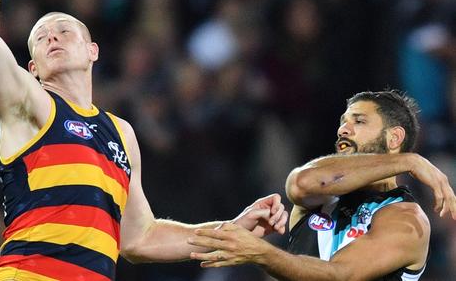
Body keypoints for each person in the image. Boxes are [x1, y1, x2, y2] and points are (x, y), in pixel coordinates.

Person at [0, 0, 288, 281]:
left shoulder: (121, 134)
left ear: (92, 51)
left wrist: (231, 229)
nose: (52, 38)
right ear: (32, 69)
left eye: (64, 30)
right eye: (41, 39)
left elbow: (141, 238)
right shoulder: (32, 107)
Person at [188, 90, 456, 280]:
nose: (343, 129)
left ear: (395, 137)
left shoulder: (407, 219)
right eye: (343, 122)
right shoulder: (322, 193)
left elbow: (341, 275)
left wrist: (261, 254)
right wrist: (408, 162)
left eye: (359, 121)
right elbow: (302, 181)